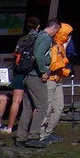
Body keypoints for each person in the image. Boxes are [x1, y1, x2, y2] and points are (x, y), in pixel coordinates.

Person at [14, 17, 59, 146]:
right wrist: (44, 70)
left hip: (28, 75)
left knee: (27, 108)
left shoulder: (37, 36)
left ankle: (20, 138)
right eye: (56, 31)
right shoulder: (45, 38)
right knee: (42, 106)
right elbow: (39, 55)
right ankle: (33, 137)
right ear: (54, 28)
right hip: (35, 77)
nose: (56, 34)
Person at [36, 22, 73, 147]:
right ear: (62, 34)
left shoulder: (61, 47)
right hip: (50, 80)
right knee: (47, 108)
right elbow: (52, 65)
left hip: (58, 80)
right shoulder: (53, 46)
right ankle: (40, 134)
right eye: (67, 35)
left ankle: (49, 131)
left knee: (58, 107)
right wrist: (65, 61)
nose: (68, 37)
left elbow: (59, 66)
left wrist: (67, 72)